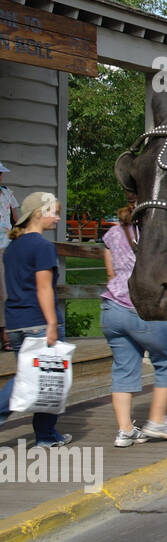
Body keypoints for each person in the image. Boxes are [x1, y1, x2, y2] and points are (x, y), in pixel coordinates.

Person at [100, 198, 167, 445]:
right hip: (146, 306)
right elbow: (161, 275)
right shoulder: (156, 233)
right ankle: (157, 420)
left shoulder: (112, 234)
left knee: (123, 367)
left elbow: (111, 272)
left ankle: (125, 430)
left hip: (112, 307)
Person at [0, 191, 70, 446]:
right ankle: (45, 434)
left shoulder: (12, 248)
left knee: (48, 381)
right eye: (54, 212)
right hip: (40, 323)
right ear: (39, 214)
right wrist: (52, 324)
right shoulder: (42, 247)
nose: (58, 218)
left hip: (18, 322)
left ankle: (47, 435)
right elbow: (43, 288)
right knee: (29, 381)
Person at [0, 161, 20, 351]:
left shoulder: (7, 193)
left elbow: (16, 218)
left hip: (5, 247)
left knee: (6, 291)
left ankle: (6, 335)